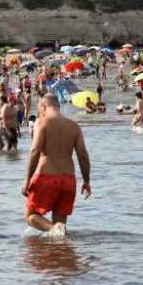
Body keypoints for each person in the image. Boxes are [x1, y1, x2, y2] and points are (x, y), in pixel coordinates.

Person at [23, 94, 92, 235]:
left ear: (43, 107)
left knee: (30, 216)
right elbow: (83, 156)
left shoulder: (41, 123)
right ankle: (59, 252)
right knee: (59, 227)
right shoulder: (74, 126)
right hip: (68, 180)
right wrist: (86, 181)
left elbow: (35, 151)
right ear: (58, 106)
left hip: (46, 177)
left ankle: (53, 229)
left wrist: (27, 180)